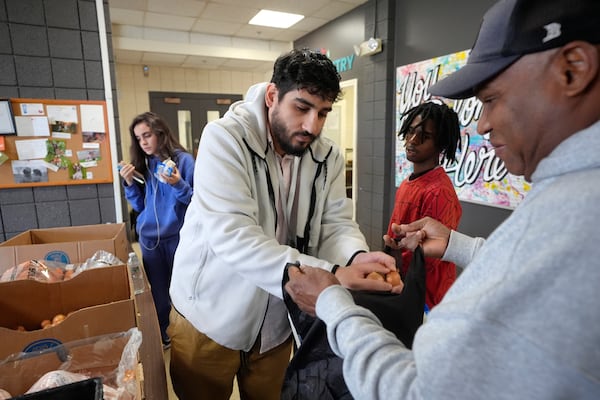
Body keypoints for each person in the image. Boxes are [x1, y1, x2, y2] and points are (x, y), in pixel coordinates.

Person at [284, 0, 600, 398]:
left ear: (573, 69)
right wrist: (459, 246)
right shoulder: (564, 198)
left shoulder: (574, 214)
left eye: (491, 99)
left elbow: (415, 391)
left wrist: (333, 304)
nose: (483, 124)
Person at [168, 49, 399, 400]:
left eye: (323, 113)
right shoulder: (225, 139)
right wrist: (333, 273)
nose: (313, 126)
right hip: (210, 314)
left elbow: (335, 222)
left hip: (279, 320)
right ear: (273, 95)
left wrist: (355, 259)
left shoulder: (326, 154)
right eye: (302, 108)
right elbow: (233, 235)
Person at [119, 111, 194, 349]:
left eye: (147, 135)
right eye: (139, 138)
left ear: (160, 133)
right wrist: (130, 183)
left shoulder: (184, 161)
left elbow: (197, 202)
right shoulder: (146, 164)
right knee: (159, 294)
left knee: (183, 290)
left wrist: (178, 184)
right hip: (150, 241)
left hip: (178, 238)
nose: (143, 142)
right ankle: (166, 334)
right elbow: (141, 206)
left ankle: (190, 334)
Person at [384, 101, 462, 309]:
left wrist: (396, 265)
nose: (413, 140)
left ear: (441, 144)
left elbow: (429, 258)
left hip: (429, 298)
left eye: (425, 137)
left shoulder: (439, 192)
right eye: (411, 131)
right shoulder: (409, 181)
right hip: (404, 285)